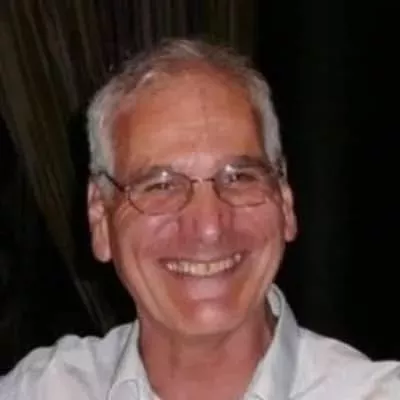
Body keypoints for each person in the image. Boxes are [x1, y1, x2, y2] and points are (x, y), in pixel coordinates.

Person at [0, 38, 399, 400]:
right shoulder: (43, 390)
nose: (208, 226)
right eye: (160, 185)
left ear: (285, 201)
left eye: (239, 177)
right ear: (100, 218)